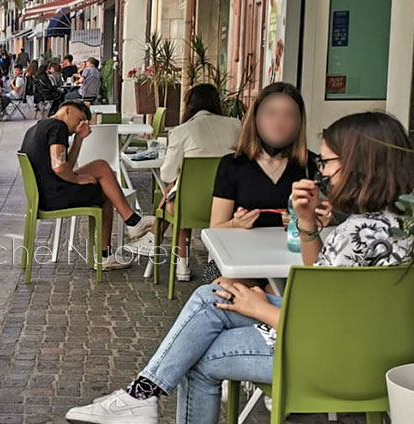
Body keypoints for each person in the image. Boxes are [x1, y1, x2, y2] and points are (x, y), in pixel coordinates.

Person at [63, 110, 414, 424]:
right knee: (210, 295)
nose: (322, 172)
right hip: (368, 351)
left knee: (199, 353)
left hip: (332, 358)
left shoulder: (355, 233)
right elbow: (326, 290)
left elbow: (321, 323)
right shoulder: (408, 224)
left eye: (328, 162)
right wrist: (307, 224)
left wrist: (260, 307)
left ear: (358, 164)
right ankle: (142, 397)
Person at [203, 82, 317, 284]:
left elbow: (329, 223)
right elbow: (216, 229)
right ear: (255, 119)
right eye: (270, 114)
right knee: (223, 292)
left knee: (285, 295)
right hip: (239, 264)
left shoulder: (311, 166)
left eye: (289, 115)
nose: (279, 122)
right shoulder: (232, 165)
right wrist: (236, 224)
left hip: (296, 263)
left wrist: (305, 222)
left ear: (300, 123)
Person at [20, 100, 155, 270]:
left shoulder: (38, 127)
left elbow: (66, 165)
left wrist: (79, 139)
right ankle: (110, 249)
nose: (82, 124)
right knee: (105, 192)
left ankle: (131, 222)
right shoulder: (57, 127)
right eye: (80, 119)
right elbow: (60, 166)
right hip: (55, 195)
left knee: (101, 167)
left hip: (44, 195)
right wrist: (77, 179)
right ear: (67, 110)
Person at [147, 83, 242, 281]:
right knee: (180, 191)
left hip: (191, 206)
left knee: (177, 191)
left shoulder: (182, 131)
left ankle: (181, 264)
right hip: (230, 205)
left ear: (189, 105)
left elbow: (166, 174)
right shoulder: (235, 125)